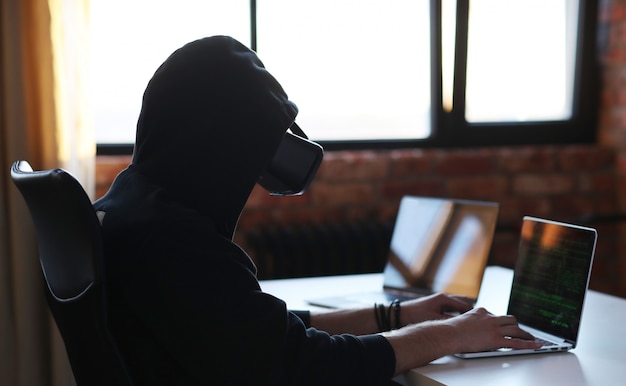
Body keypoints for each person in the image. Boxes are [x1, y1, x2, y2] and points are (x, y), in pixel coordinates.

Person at [94, 35, 540, 386]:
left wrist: (398, 316)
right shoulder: (175, 241)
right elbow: (308, 367)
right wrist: (454, 334)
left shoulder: (133, 209)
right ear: (220, 148)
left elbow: (260, 332)